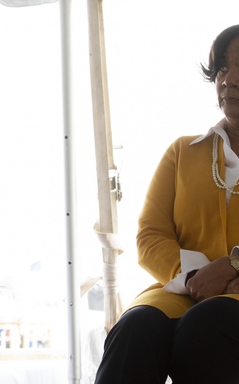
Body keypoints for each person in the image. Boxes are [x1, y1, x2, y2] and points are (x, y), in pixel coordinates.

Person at [94, 24, 239, 383]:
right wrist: (195, 276)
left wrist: (232, 265)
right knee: (135, 329)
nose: (230, 80)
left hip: (226, 305)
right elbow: (150, 236)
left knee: (205, 327)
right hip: (184, 290)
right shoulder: (182, 152)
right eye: (222, 67)